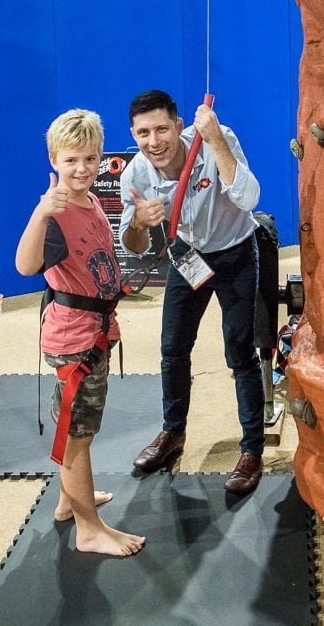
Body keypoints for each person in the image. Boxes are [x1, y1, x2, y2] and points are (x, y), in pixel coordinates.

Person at [119, 89, 265, 495]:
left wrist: (216, 140)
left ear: (179, 126)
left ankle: (252, 449)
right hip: (187, 256)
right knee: (172, 348)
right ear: (133, 134)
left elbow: (250, 198)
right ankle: (172, 433)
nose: (154, 141)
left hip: (235, 252)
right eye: (143, 133)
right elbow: (132, 247)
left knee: (239, 351)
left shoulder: (218, 139)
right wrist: (139, 226)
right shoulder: (136, 174)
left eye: (162, 129)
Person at [15, 109, 145, 557]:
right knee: (77, 437)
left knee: (78, 428)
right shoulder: (55, 209)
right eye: (71, 160)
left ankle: (70, 503)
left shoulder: (89, 201)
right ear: (54, 159)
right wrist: (39, 214)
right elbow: (26, 266)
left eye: (90, 159)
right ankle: (89, 529)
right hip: (74, 342)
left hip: (95, 331)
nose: (82, 168)